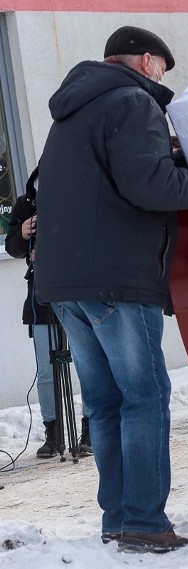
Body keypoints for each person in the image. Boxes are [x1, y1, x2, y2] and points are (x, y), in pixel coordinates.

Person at [34, 25, 188, 552]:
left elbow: (113, 181)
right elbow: (147, 186)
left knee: (104, 403)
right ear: (149, 62)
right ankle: (145, 522)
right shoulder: (132, 103)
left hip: (67, 282)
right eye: (163, 70)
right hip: (118, 280)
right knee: (145, 397)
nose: (162, 78)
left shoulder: (74, 110)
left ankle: (119, 519)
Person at [5, 167, 94, 458]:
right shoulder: (24, 206)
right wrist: (23, 233)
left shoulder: (78, 199)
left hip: (77, 292)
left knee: (87, 365)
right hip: (41, 295)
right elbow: (13, 248)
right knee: (46, 371)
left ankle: (91, 430)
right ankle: (53, 434)